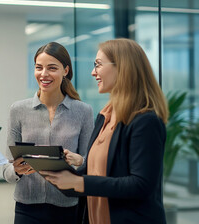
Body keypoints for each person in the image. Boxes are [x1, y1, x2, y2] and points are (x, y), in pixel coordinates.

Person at [41, 38, 169, 224]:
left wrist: (79, 182)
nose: (93, 72)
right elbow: (87, 176)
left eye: (98, 65)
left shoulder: (145, 121)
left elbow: (141, 185)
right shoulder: (104, 117)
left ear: (123, 67)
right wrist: (55, 169)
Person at [3, 42, 94, 224]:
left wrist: (79, 160)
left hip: (68, 205)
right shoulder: (18, 110)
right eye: (39, 68)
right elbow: (7, 168)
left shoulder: (83, 111)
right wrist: (16, 170)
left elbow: (90, 163)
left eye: (52, 68)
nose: (44, 74)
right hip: (27, 205)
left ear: (65, 70)